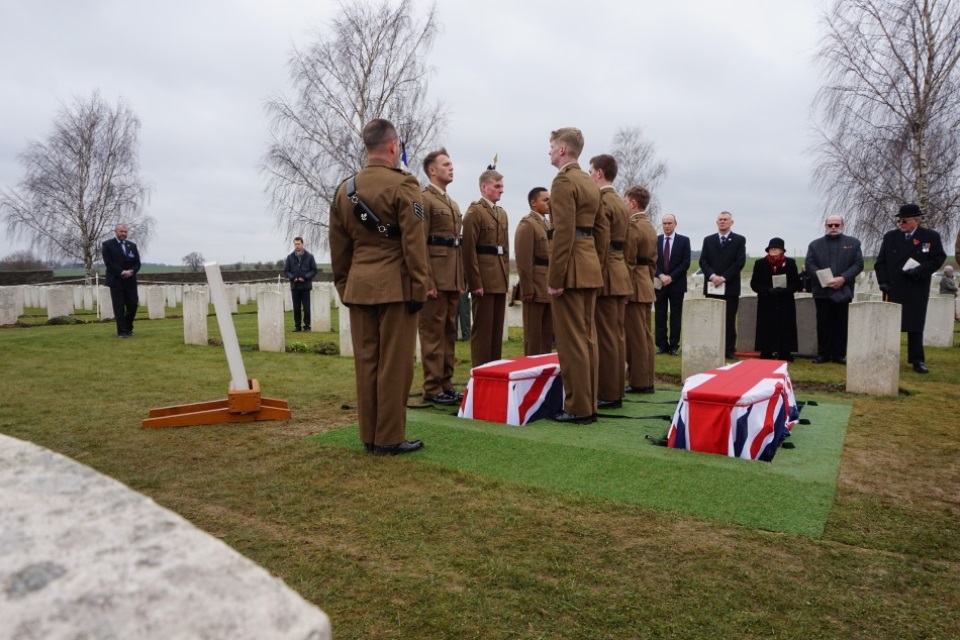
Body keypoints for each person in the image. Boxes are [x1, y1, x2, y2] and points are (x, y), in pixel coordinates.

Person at [329, 118, 429, 455]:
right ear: (392, 146)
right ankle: (389, 437)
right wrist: (419, 287)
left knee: (367, 363)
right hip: (397, 287)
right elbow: (414, 243)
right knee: (395, 366)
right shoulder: (404, 185)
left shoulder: (345, 190)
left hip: (359, 286)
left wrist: (345, 286)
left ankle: (370, 436)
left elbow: (338, 249)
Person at [546, 127, 603, 423]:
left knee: (572, 342)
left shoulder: (564, 181)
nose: (550, 151)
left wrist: (555, 279)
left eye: (552, 146)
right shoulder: (589, 182)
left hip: (570, 269)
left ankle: (577, 407)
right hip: (589, 264)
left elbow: (563, 233)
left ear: (563, 150)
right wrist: (596, 262)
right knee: (587, 339)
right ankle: (588, 402)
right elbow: (601, 231)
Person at [875, 203, 947, 374]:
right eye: (900, 220)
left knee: (915, 325)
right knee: (890, 324)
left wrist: (919, 271)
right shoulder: (890, 237)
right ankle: (885, 355)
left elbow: (938, 258)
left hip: (916, 286)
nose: (901, 223)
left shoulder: (930, 237)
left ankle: (917, 360)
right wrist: (882, 282)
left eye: (905, 221)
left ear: (916, 221)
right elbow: (881, 262)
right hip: (894, 287)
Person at [418, 148, 465, 405]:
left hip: (451, 279)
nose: (451, 167)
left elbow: (456, 244)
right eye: (446, 164)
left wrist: (460, 281)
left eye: (451, 163)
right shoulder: (423, 199)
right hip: (435, 279)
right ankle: (432, 387)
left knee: (448, 333)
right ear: (432, 170)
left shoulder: (452, 203)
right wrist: (426, 281)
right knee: (432, 335)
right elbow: (420, 243)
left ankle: (445, 383)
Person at [588, 154, 631, 408]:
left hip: (607, 272)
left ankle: (607, 392)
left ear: (600, 173)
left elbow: (601, 242)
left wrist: (596, 273)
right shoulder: (619, 202)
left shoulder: (603, 200)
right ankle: (616, 390)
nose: (590, 175)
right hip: (620, 271)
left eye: (591, 171)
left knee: (605, 336)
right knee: (616, 335)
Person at [462, 169, 510, 367]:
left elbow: (505, 251)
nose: (501, 190)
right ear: (484, 187)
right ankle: (481, 374)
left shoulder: (502, 213)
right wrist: (475, 282)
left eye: (502, 186)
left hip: (499, 279)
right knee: (483, 331)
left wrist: (506, 280)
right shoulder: (475, 212)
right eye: (497, 186)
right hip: (483, 280)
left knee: (496, 332)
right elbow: (468, 250)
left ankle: (495, 371)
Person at [804, 215, 864, 364]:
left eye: (836, 225)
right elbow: (810, 264)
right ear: (825, 226)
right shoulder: (815, 245)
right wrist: (825, 280)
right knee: (823, 323)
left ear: (842, 226)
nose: (833, 228)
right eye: (830, 225)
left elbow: (858, 264)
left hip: (843, 290)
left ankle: (839, 354)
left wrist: (842, 278)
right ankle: (823, 353)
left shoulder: (853, 243)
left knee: (841, 323)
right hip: (822, 291)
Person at [623, 186, 658, 394]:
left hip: (634, 286)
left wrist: (625, 288)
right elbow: (653, 262)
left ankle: (639, 381)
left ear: (633, 203)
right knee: (645, 336)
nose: (625, 205)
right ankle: (647, 378)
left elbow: (628, 261)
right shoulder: (649, 226)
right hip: (645, 283)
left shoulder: (633, 227)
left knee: (636, 337)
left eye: (626, 201)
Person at [699, 211, 747, 359]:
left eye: (725, 220)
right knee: (711, 319)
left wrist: (724, 277)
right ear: (716, 222)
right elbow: (703, 261)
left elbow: (739, 262)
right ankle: (712, 348)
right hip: (712, 286)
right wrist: (713, 276)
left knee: (729, 320)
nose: (722, 222)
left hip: (730, 287)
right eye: (720, 219)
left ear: (731, 222)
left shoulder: (739, 240)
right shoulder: (708, 240)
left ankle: (728, 350)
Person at [514, 187, 554, 355]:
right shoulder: (528, 224)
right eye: (545, 200)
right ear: (533, 202)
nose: (549, 203)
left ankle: (544, 372)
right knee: (534, 335)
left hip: (548, 285)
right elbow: (523, 260)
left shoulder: (548, 223)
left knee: (546, 334)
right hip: (535, 286)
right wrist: (527, 288)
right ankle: (531, 372)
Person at [750, 237, 801, 360]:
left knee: (786, 326)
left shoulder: (790, 263)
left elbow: (796, 283)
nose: (773, 250)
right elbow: (754, 283)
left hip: (785, 300)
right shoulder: (760, 263)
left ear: (782, 250)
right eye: (771, 248)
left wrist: (785, 290)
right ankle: (766, 352)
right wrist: (767, 290)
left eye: (776, 248)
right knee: (766, 326)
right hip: (766, 300)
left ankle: (785, 352)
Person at [654, 213, 691, 356]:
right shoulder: (655, 240)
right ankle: (662, 345)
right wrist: (661, 275)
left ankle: (674, 345)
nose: (667, 226)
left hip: (677, 284)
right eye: (664, 223)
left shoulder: (684, 241)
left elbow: (686, 262)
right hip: (659, 283)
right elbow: (652, 261)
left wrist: (671, 277)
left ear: (675, 224)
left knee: (676, 316)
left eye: (670, 223)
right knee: (660, 315)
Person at [101, 223, 141, 338]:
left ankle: (128, 327)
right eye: (121, 231)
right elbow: (108, 263)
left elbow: (137, 263)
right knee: (119, 307)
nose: (123, 234)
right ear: (115, 231)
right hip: (116, 280)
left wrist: (131, 271)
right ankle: (122, 331)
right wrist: (121, 272)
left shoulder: (132, 246)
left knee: (133, 305)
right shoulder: (108, 245)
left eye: (125, 232)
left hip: (130, 281)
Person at [283, 236, 317, 332]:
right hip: (295, 286)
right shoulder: (290, 257)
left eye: (299, 244)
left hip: (305, 286)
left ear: (302, 244)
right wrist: (292, 277)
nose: (297, 246)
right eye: (295, 244)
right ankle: (297, 326)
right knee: (296, 308)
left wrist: (305, 277)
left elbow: (313, 270)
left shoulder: (309, 257)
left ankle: (307, 326)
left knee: (306, 307)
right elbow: (286, 271)